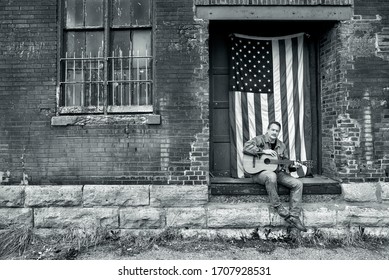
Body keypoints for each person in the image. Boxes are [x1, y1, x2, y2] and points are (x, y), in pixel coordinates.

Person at [243, 121, 307, 232]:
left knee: (298, 184)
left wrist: (293, 166)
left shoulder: (281, 146)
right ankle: (279, 208)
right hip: (259, 173)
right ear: (268, 130)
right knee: (271, 176)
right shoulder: (259, 139)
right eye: (272, 130)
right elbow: (246, 147)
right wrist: (262, 151)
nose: (274, 132)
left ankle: (294, 216)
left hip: (278, 172)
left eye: (277, 131)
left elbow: (285, 165)